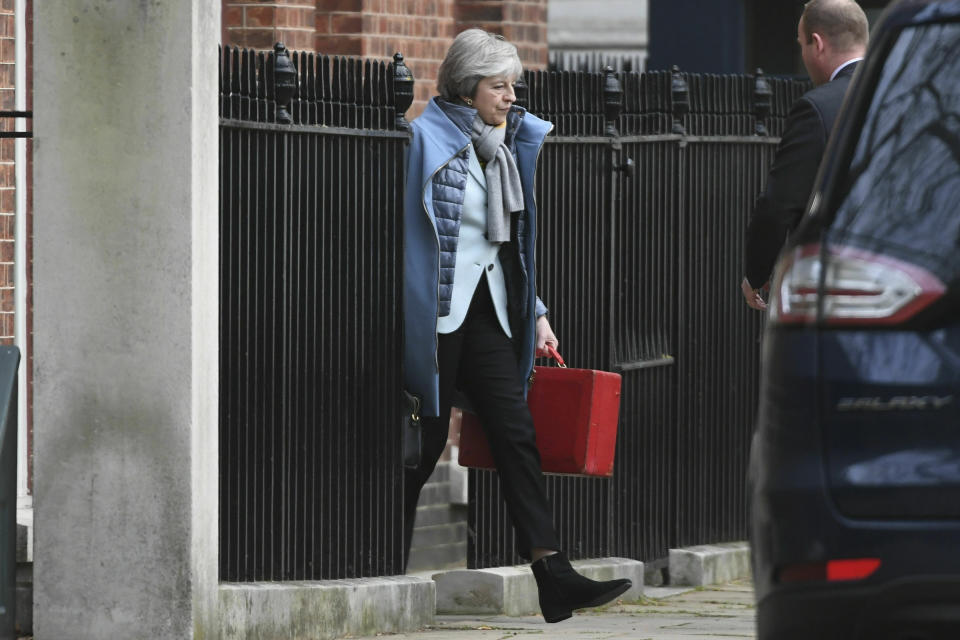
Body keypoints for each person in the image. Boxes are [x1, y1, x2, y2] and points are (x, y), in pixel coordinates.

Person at [401, 29, 631, 622]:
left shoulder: (503, 148)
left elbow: (510, 248)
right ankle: (380, 562)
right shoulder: (422, 140)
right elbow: (419, 242)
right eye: (497, 86)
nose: (509, 97)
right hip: (439, 314)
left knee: (515, 433)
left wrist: (537, 312)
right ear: (465, 85)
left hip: (492, 312)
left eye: (512, 86)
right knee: (423, 446)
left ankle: (551, 573)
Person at [742, 0, 868, 309]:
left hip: (835, 282)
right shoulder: (911, 97)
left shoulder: (817, 109)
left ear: (818, 44)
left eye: (802, 44)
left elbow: (779, 204)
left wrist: (755, 273)